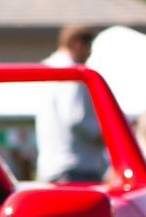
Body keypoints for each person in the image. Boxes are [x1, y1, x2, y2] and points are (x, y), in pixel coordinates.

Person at [34, 26, 108, 182]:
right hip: (76, 168)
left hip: (51, 169)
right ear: (77, 44)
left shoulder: (46, 68)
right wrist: (106, 135)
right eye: (89, 48)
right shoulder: (74, 72)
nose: (90, 54)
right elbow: (77, 119)